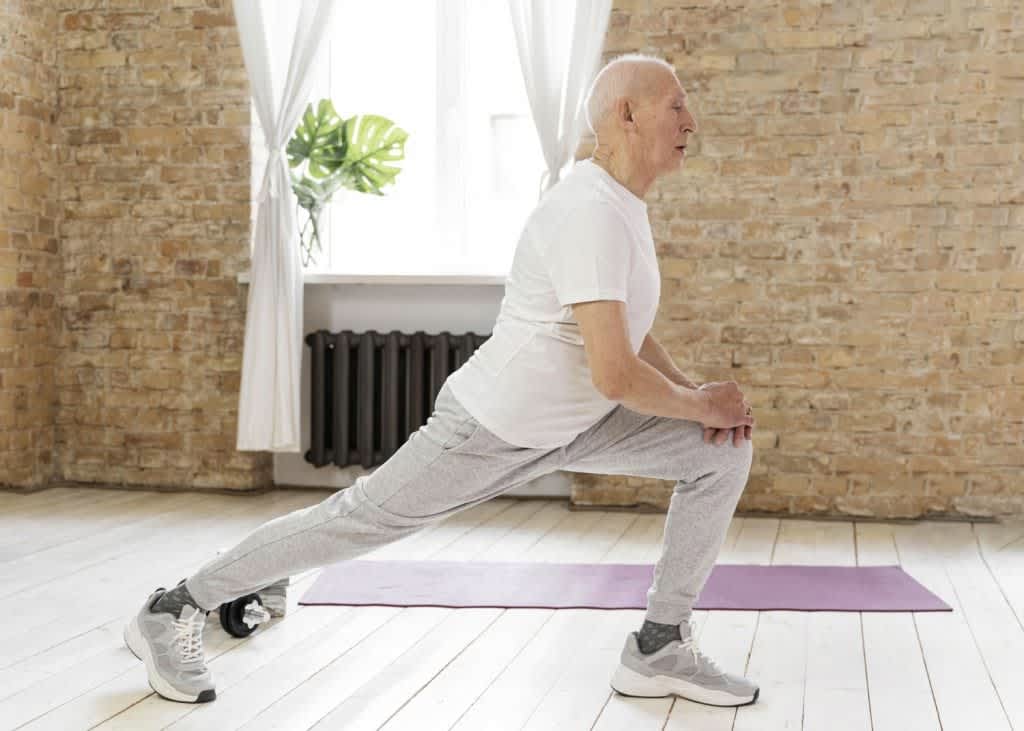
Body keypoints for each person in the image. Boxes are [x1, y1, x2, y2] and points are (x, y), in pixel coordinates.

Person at [124, 52, 758, 707]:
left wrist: (695, 398)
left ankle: (659, 643)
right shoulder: (589, 210)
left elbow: (624, 327)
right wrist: (697, 402)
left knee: (721, 451)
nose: (692, 119)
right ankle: (175, 605)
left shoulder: (623, 203)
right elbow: (616, 373)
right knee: (359, 520)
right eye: (676, 104)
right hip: (492, 426)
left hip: (574, 422)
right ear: (627, 115)